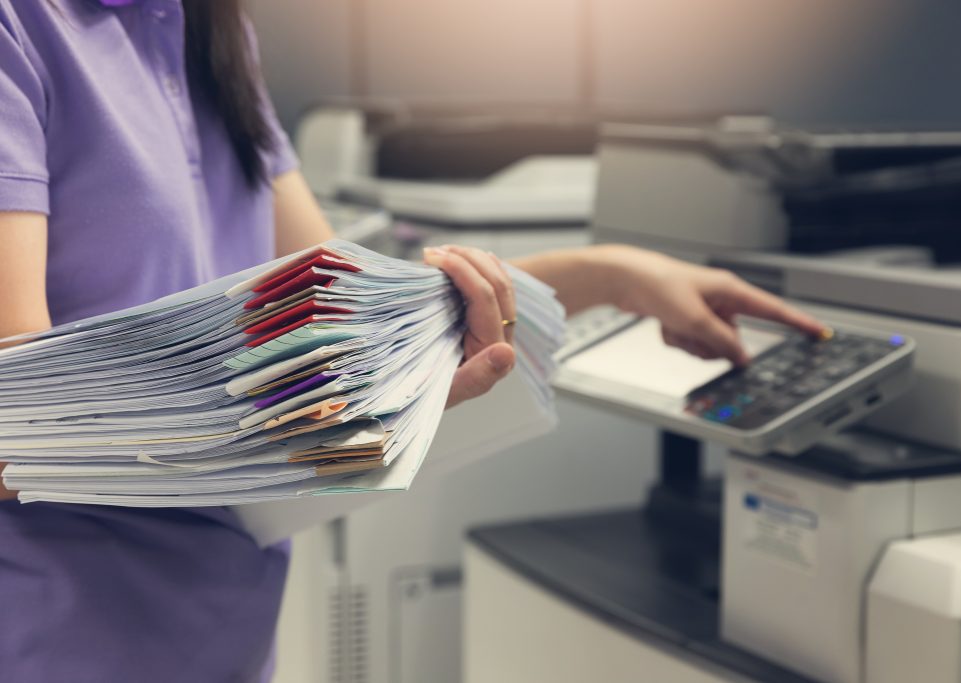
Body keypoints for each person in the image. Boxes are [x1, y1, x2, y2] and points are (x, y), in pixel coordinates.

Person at [0, 1, 822, 680]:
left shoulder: (212, 30)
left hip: (227, 624)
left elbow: (351, 316)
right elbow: (19, 423)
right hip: (69, 631)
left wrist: (611, 275)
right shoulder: (22, 28)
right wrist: (326, 406)